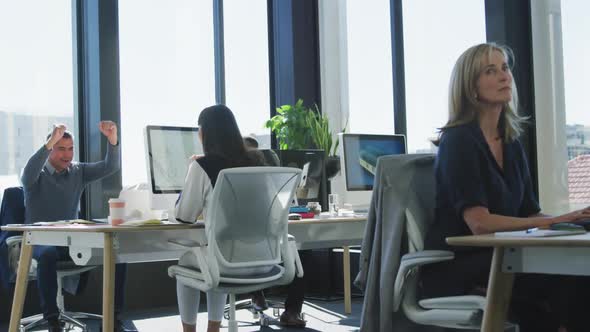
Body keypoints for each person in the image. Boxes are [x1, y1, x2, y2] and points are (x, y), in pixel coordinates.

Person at [421, 43, 590, 332]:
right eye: (491, 71)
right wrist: (552, 221)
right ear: (470, 88)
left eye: (505, 68)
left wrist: (571, 223)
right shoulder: (459, 141)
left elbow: (531, 213)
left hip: (502, 256)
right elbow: (480, 224)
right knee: (566, 279)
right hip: (458, 264)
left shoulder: (511, 142)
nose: (504, 76)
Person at [21, 121, 133, 332]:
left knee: (117, 253)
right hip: (40, 241)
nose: (67, 154)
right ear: (50, 149)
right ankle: (53, 321)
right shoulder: (36, 176)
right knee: (46, 254)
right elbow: (27, 174)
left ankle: (113, 318)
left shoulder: (78, 172)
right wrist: (49, 142)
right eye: (60, 148)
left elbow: (111, 166)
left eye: (71, 149)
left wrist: (112, 139)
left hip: (71, 242)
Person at [174, 105, 266, 332]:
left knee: (189, 263)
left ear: (204, 133)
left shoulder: (202, 165)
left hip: (226, 264)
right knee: (213, 255)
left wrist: (190, 172)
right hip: (263, 261)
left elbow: (184, 217)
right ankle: (214, 329)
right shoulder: (256, 160)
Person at [243, 136, 307, 328]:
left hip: (257, 252)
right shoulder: (238, 185)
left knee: (299, 250)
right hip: (248, 255)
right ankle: (267, 299)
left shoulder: (268, 185)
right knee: (296, 252)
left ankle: (286, 309)